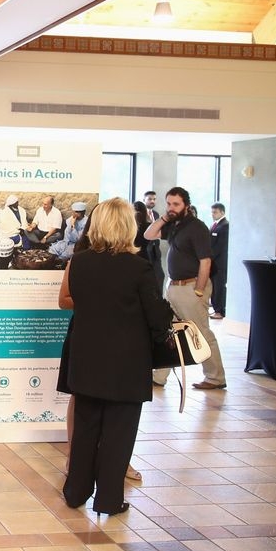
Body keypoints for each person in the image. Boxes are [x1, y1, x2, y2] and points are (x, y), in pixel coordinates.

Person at [62, 198, 173, 516]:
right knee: (118, 434)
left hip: (87, 360)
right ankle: (109, 499)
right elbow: (156, 319)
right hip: (126, 365)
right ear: (128, 227)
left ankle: (75, 491)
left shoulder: (80, 262)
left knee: (85, 430)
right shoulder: (138, 267)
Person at [144, 186, 226, 390]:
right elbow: (148, 234)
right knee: (169, 330)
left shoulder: (197, 227)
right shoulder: (175, 225)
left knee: (200, 332)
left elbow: (205, 261)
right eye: (169, 203)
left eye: (176, 204)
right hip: (174, 286)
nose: (171, 208)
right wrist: (165, 217)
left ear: (186, 205)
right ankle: (159, 376)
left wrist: (198, 290)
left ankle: (215, 377)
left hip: (191, 286)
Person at [209, 203, 229, 318]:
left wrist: (209, 257)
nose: (213, 214)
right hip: (213, 263)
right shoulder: (215, 225)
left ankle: (220, 311)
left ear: (222, 212)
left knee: (219, 287)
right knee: (214, 287)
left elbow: (220, 246)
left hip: (220, 263)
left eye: (215, 212)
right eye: (212, 212)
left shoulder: (225, 225)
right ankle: (216, 308)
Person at [141, 191, 164, 291]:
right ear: (144, 200)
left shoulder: (156, 214)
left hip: (155, 249)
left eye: (154, 199)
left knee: (159, 275)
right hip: (145, 248)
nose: (152, 201)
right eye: (150, 199)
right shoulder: (140, 214)